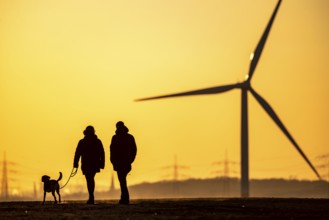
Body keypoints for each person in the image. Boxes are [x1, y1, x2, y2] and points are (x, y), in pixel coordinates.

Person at [74, 126, 105, 204]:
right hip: (93, 164)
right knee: (90, 179)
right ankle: (91, 196)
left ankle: (91, 196)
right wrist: (102, 163)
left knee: (89, 179)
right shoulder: (97, 141)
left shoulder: (82, 141)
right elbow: (102, 153)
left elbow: (77, 153)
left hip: (87, 164)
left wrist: (75, 163)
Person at [110, 121, 137, 204]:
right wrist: (130, 160)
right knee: (122, 180)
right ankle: (124, 198)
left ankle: (125, 198)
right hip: (125, 163)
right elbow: (134, 150)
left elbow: (112, 151)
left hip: (121, 163)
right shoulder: (129, 137)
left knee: (122, 180)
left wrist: (113, 161)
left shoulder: (115, 137)